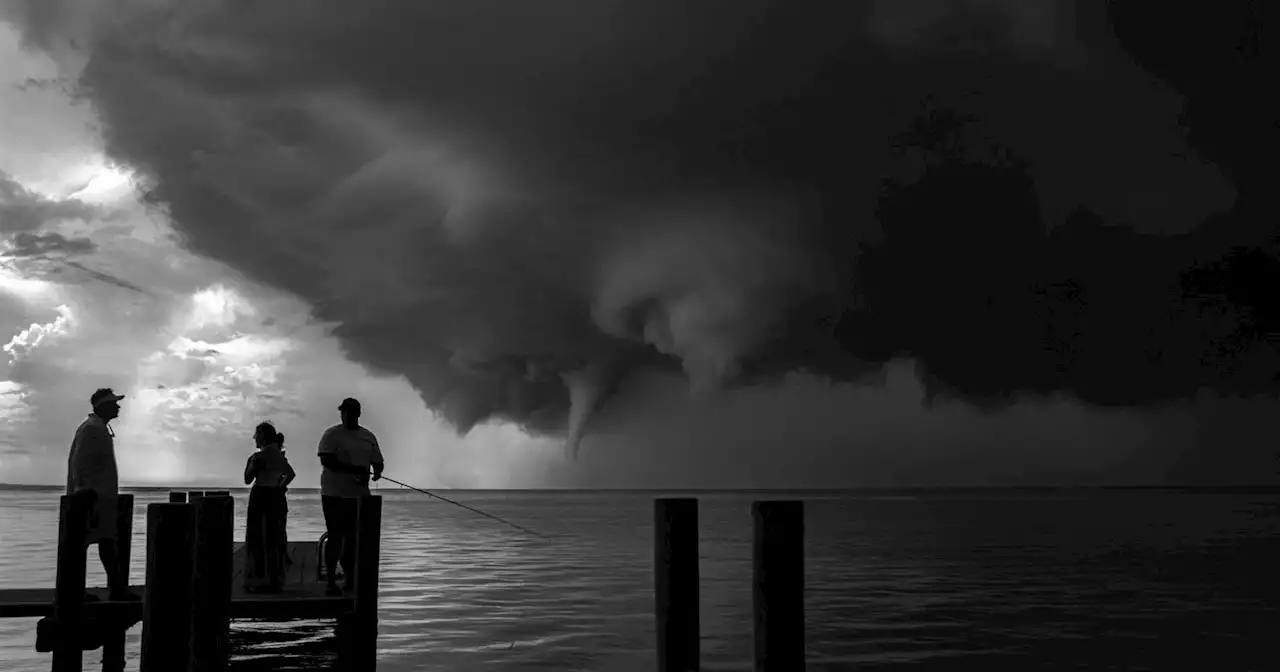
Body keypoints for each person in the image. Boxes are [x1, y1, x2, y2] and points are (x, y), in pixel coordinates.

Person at [66, 388, 138, 601]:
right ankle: (77, 591)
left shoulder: (97, 428)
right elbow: (81, 465)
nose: (118, 407)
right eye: (114, 403)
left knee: (106, 541)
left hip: (100, 498)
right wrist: (86, 496)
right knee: (87, 543)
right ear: (102, 406)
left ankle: (116, 588)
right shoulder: (92, 429)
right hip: (90, 499)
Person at [317, 397, 384, 596]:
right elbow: (326, 460)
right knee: (336, 538)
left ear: (358, 414)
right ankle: (330, 580)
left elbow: (378, 460)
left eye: (351, 412)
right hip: (333, 494)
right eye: (344, 412)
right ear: (341, 413)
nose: (347, 415)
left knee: (354, 540)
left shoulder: (367, 436)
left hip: (359, 496)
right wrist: (354, 469)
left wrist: (377, 470)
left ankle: (350, 578)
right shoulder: (331, 434)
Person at [243, 421, 296, 593]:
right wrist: (280, 485)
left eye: (256, 434)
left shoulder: (258, 457)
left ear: (263, 437)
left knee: (257, 536)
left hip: (260, 495)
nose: (254, 438)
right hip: (276, 495)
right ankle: (275, 576)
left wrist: (251, 463)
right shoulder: (280, 456)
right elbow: (290, 474)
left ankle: (258, 576)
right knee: (275, 536)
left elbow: (247, 479)